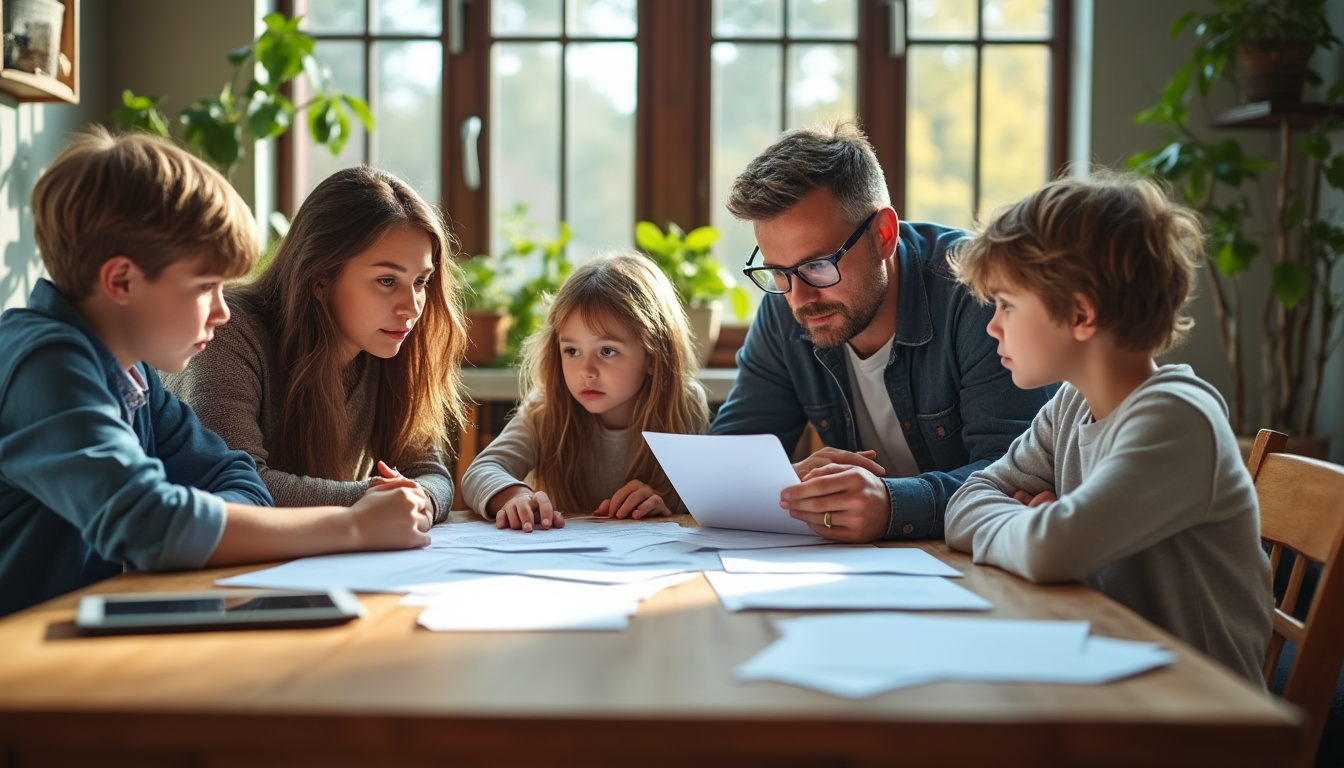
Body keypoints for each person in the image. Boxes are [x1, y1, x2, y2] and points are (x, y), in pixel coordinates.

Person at [0, 129, 430, 617]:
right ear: (121, 280)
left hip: (82, 628)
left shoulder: (133, 375)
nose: (223, 312)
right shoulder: (44, 366)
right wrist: (353, 526)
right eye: (206, 287)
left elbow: (237, 478)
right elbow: (150, 524)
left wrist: (195, 527)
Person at [943, 173, 1273, 684]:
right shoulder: (1071, 403)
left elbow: (1050, 551)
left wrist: (1044, 535)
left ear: (1081, 313)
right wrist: (1031, 526)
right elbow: (965, 500)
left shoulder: (1177, 420)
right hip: (1112, 673)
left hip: (1199, 706)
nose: (992, 326)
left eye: (1007, 304)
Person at [711, 121, 1054, 543]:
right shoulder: (787, 306)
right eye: (778, 272)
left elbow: (1016, 472)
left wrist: (894, 505)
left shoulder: (979, 295)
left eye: (817, 265)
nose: (799, 299)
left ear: (884, 235)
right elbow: (730, 456)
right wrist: (784, 482)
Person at [166, 166, 469, 524]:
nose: (412, 307)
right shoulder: (227, 333)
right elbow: (234, 484)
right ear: (321, 279)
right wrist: (375, 499)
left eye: (420, 282)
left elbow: (429, 472)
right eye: (387, 281)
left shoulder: (390, 347)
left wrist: (421, 500)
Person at [461, 253, 709, 531]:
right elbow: (480, 471)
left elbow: (706, 499)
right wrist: (515, 496)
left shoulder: (685, 406)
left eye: (607, 351)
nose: (586, 371)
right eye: (572, 351)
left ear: (654, 356)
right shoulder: (543, 410)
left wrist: (665, 504)